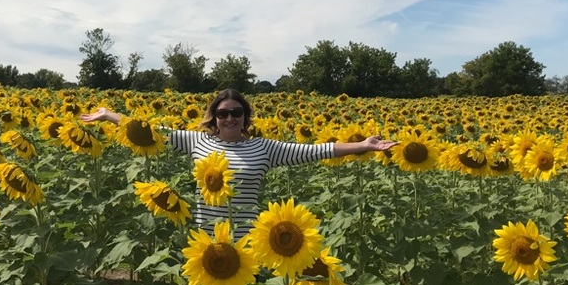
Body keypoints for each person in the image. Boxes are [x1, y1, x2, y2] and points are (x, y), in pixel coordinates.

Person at [81, 88, 396, 239]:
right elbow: (149, 131)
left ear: (245, 117)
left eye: (236, 112)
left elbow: (314, 150)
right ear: (214, 118)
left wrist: (363, 145)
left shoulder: (264, 148)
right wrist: (110, 115)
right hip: (206, 238)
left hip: (247, 240)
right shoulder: (197, 141)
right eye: (222, 113)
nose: (229, 118)